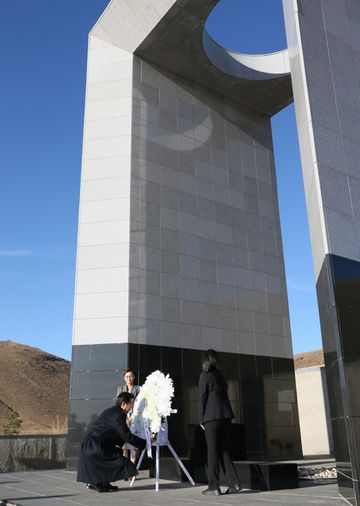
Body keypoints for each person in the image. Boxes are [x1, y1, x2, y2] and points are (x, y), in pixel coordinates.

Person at [77, 392, 146, 493]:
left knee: (117, 453)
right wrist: (144, 444)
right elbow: (126, 436)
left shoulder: (114, 412)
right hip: (95, 447)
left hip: (98, 445)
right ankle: (96, 483)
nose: (132, 406)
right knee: (120, 462)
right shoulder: (118, 415)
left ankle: (104, 483)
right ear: (123, 404)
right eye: (132, 403)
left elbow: (117, 432)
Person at [198, 349, 242, 496]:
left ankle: (213, 486)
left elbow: (202, 399)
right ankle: (234, 483)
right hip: (226, 416)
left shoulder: (204, 377)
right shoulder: (221, 377)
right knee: (223, 450)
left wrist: (201, 419)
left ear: (205, 362)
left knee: (212, 452)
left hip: (212, 418)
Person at [117, 369, 141, 465]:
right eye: (127, 377)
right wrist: (124, 417)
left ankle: (132, 468)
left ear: (134, 377)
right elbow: (118, 404)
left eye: (131, 376)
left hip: (135, 418)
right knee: (124, 444)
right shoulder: (120, 389)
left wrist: (133, 416)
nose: (129, 378)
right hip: (124, 418)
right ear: (124, 378)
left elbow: (140, 404)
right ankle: (125, 467)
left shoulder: (138, 389)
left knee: (133, 444)